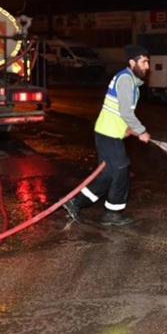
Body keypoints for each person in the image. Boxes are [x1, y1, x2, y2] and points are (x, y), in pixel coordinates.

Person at [62, 44, 151, 226]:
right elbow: (126, 111)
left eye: (147, 62)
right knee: (121, 171)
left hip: (110, 132)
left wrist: (127, 129)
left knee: (108, 175)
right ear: (132, 62)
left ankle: (75, 202)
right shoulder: (126, 80)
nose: (147, 67)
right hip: (107, 134)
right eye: (144, 62)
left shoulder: (131, 82)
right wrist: (141, 131)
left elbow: (118, 110)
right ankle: (111, 213)